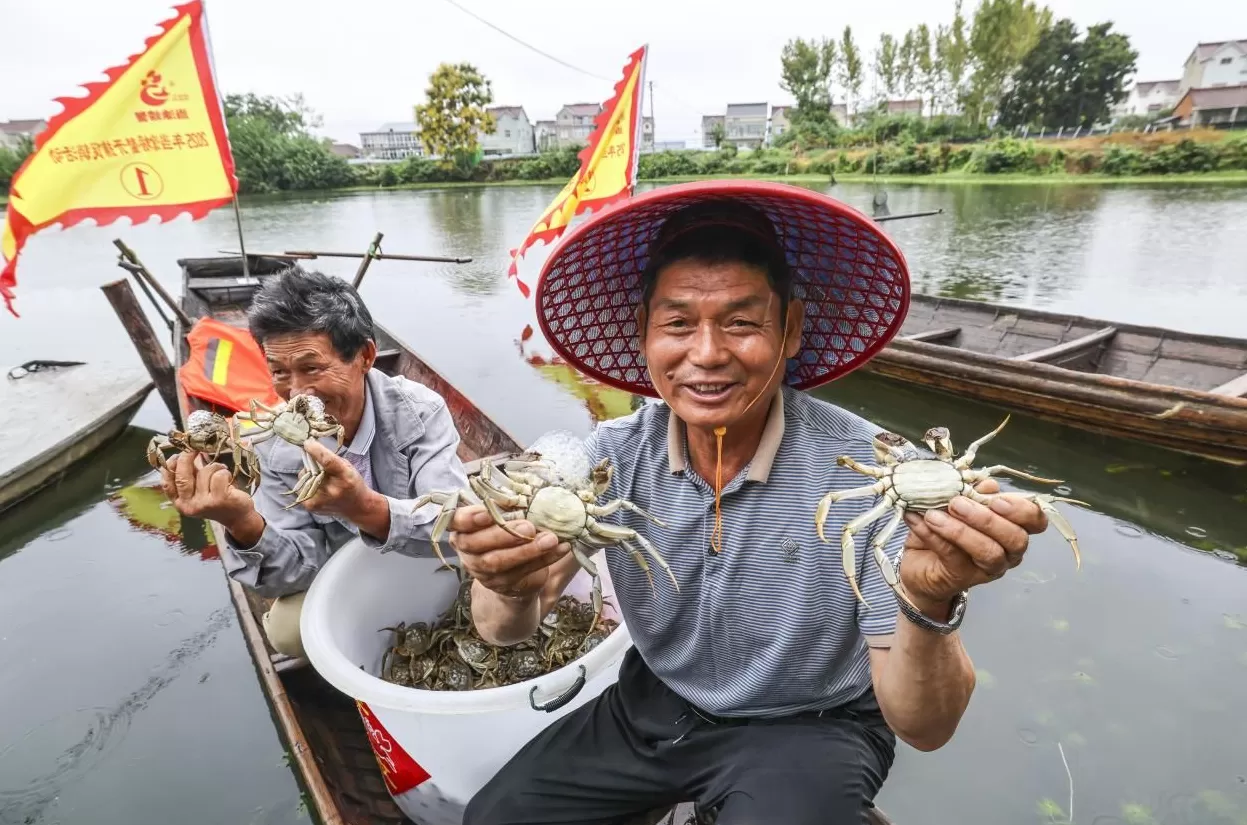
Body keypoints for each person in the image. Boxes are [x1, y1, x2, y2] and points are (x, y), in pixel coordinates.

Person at [447, 182, 1055, 825]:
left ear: (790, 329)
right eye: (678, 323)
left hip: (811, 722)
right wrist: (503, 582)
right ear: (643, 332)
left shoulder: (878, 474)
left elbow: (925, 728)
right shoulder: (609, 460)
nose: (707, 354)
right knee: (495, 819)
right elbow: (502, 630)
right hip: (660, 700)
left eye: (741, 322)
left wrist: (929, 599)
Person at [159, 268, 469, 658]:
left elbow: (457, 527)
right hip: (347, 573)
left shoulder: (419, 412)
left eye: (312, 368)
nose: (297, 393)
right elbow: (297, 571)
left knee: (487, 571)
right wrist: (242, 522)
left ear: (365, 356)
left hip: (423, 556)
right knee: (288, 632)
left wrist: (364, 508)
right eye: (279, 372)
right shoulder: (271, 442)